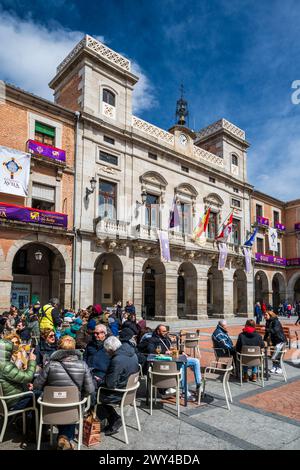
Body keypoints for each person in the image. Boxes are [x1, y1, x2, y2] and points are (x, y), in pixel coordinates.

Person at [33, 335, 95, 450]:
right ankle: (66, 438)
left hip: (51, 408)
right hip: (72, 408)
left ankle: (63, 438)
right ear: (74, 348)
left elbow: (37, 385)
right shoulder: (82, 365)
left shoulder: (50, 365)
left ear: (58, 348)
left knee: (64, 402)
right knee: (71, 402)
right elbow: (91, 390)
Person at [144, 325, 202, 401]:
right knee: (182, 366)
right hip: (166, 363)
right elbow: (150, 350)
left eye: (166, 331)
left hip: (174, 359)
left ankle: (198, 385)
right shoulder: (152, 340)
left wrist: (181, 352)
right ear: (158, 331)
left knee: (195, 361)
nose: (166, 333)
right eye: (163, 331)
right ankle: (185, 392)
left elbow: (173, 348)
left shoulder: (167, 339)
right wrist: (164, 352)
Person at [97, 336, 139, 436]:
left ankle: (114, 419)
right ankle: (110, 418)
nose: (107, 354)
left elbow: (110, 384)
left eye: (107, 351)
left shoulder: (117, 360)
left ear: (111, 350)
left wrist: (100, 381)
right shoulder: (132, 354)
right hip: (130, 391)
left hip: (120, 393)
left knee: (93, 395)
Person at [0, 338, 36, 411]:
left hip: (7, 399)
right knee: (41, 395)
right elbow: (28, 377)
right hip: (14, 401)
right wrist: (32, 361)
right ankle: (33, 422)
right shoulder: (5, 366)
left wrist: (24, 385)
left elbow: (11, 379)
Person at [263, 306, 286, 374]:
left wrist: (266, 329)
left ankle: (279, 368)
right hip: (273, 340)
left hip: (280, 340)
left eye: (266, 315)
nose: (264, 316)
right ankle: (274, 366)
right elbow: (267, 333)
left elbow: (275, 330)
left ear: (270, 315)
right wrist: (263, 340)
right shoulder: (267, 322)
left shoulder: (276, 321)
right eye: (264, 315)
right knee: (273, 353)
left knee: (277, 354)